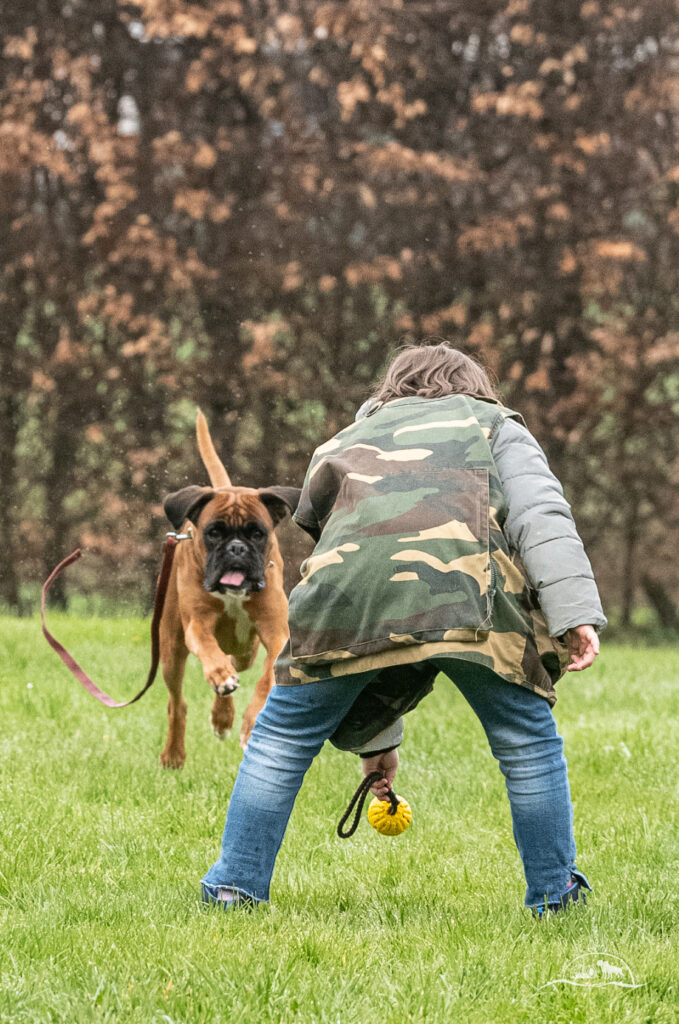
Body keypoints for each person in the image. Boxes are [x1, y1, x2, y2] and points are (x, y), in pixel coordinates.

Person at [201, 342, 606, 916]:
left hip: (343, 599)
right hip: (473, 603)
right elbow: (542, 517)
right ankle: (555, 894)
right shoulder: (498, 428)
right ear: (474, 387)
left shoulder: (344, 440)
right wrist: (574, 613)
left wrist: (376, 740)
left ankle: (234, 885)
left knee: (282, 738)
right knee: (527, 743)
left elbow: (335, 537)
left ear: (390, 391)